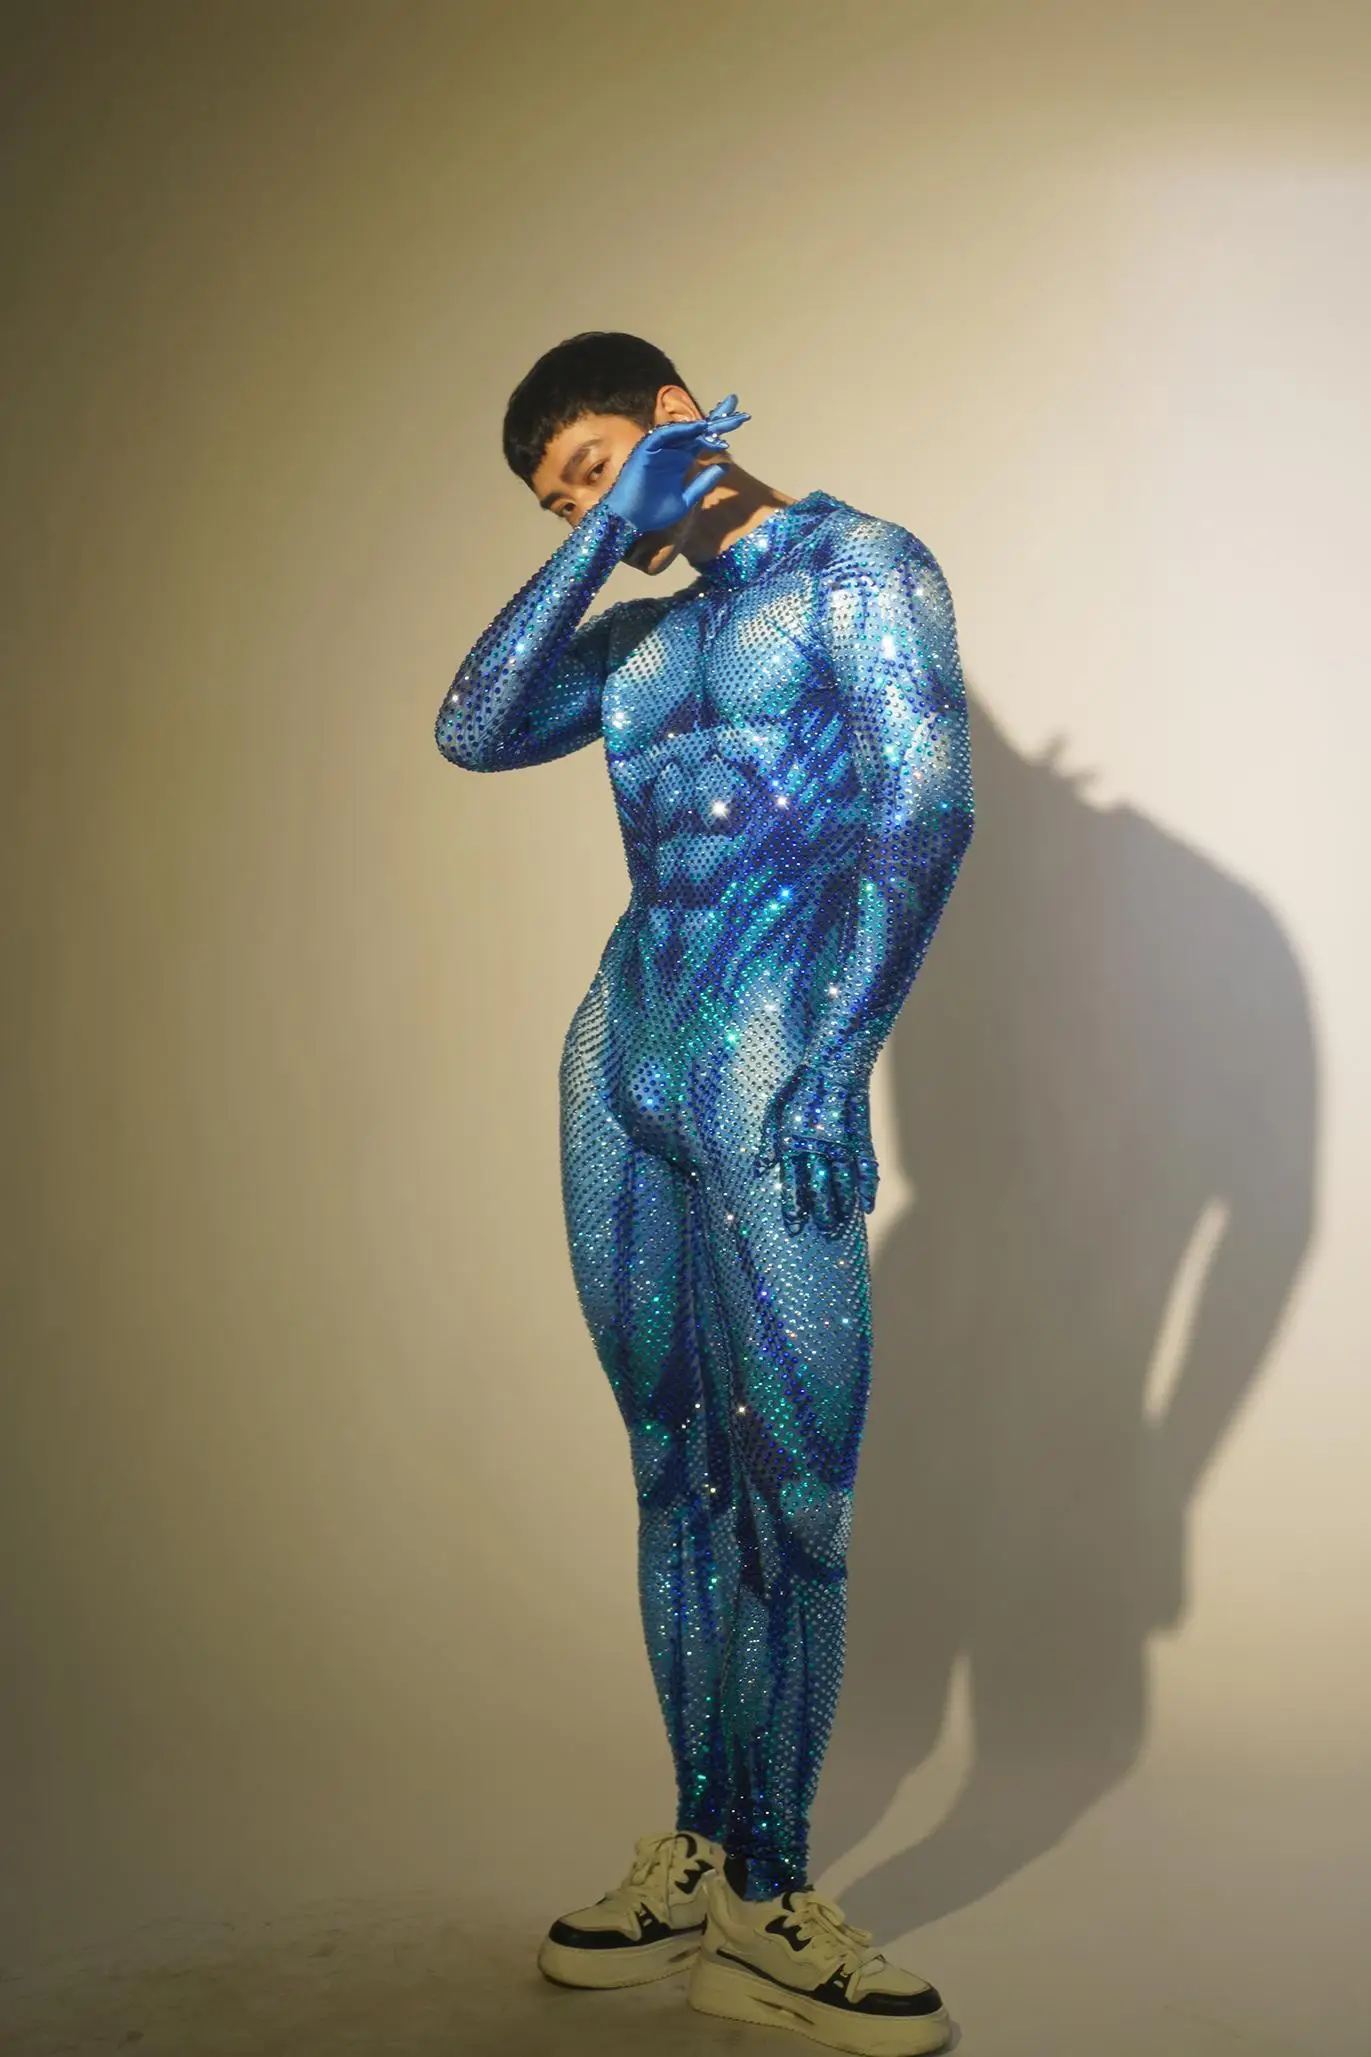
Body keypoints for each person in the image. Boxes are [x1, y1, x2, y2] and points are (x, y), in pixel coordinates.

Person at [436, 331, 974, 2056]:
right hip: (623, 1055)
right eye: (555, 503)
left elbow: (923, 813)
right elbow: (471, 729)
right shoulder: (642, 636)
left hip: (767, 1066)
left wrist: (838, 1058)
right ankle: (692, 1854)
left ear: (679, 416)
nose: (584, 513)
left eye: (595, 470)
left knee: (793, 1500)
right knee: (671, 1471)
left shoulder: (861, 569)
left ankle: (775, 1891)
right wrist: (607, 537)